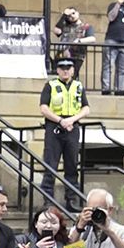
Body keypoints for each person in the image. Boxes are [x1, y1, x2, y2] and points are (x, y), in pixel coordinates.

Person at [39, 58, 88, 203]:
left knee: (72, 164)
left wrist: (71, 120)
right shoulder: (50, 85)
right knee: (50, 164)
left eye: (68, 68)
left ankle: (71, 200)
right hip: (54, 126)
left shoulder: (78, 86)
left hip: (72, 127)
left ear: (73, 70)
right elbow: (44, 108)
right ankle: (48, 199)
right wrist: (61, 121)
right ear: (58, 70)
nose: (65, 70)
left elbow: (86, 108)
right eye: (62, 68)